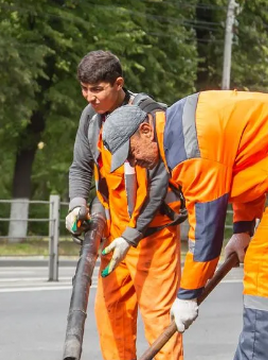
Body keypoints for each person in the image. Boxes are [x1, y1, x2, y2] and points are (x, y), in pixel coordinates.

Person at [101, 90, 268, 360]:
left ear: (145, 129)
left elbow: (206, 233)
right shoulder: (181, 122)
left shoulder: (188, 149)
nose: (134, 163)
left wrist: (187, 294)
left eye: (131, 153)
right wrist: (242, 230)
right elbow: (248, 168)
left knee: (264, 268)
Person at [66, 50, 185, 360]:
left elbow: (158, 183)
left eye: (97, 89)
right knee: (111, 317)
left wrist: (131, 235)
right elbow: (80, 167)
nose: (89, 97)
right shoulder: (90, 118)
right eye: (84, 88)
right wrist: (77, 205)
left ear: (118, 84)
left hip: (152, 237)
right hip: (112, 235)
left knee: (160, 324)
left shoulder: (150, 117)